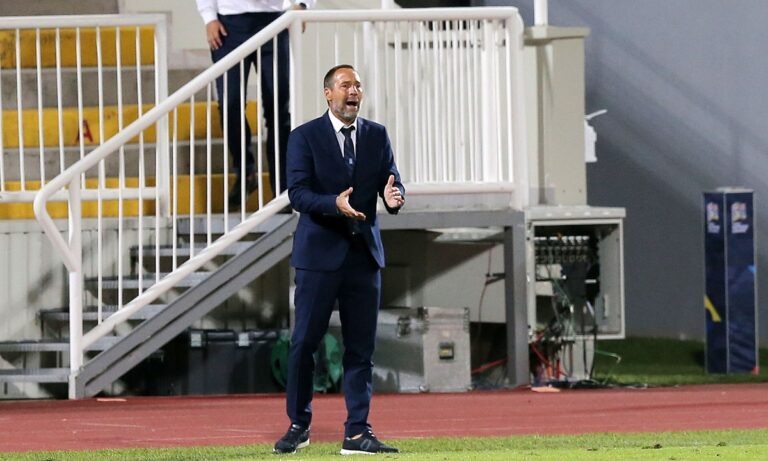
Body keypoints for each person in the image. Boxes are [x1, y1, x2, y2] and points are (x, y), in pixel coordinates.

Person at [274, 64, 404, 455]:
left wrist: (394, 198)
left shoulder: (377, 135)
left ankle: (357, 432)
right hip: (319, 257)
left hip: (364, 256)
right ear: (328, 93)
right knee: (304, 344)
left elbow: (391, 180)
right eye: (346, 85)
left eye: (358, 86)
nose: (354, 92)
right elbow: (297, 194)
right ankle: (299, 425)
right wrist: (334, 203)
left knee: (361, 350)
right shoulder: (304, 137)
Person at [195, 0, 315, 209]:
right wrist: (209, 17)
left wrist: (302, 5)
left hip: (275, 20)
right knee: (230, 104)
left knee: (278, 110)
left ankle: (283, 188)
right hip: (228, 25)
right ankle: (245, 172)